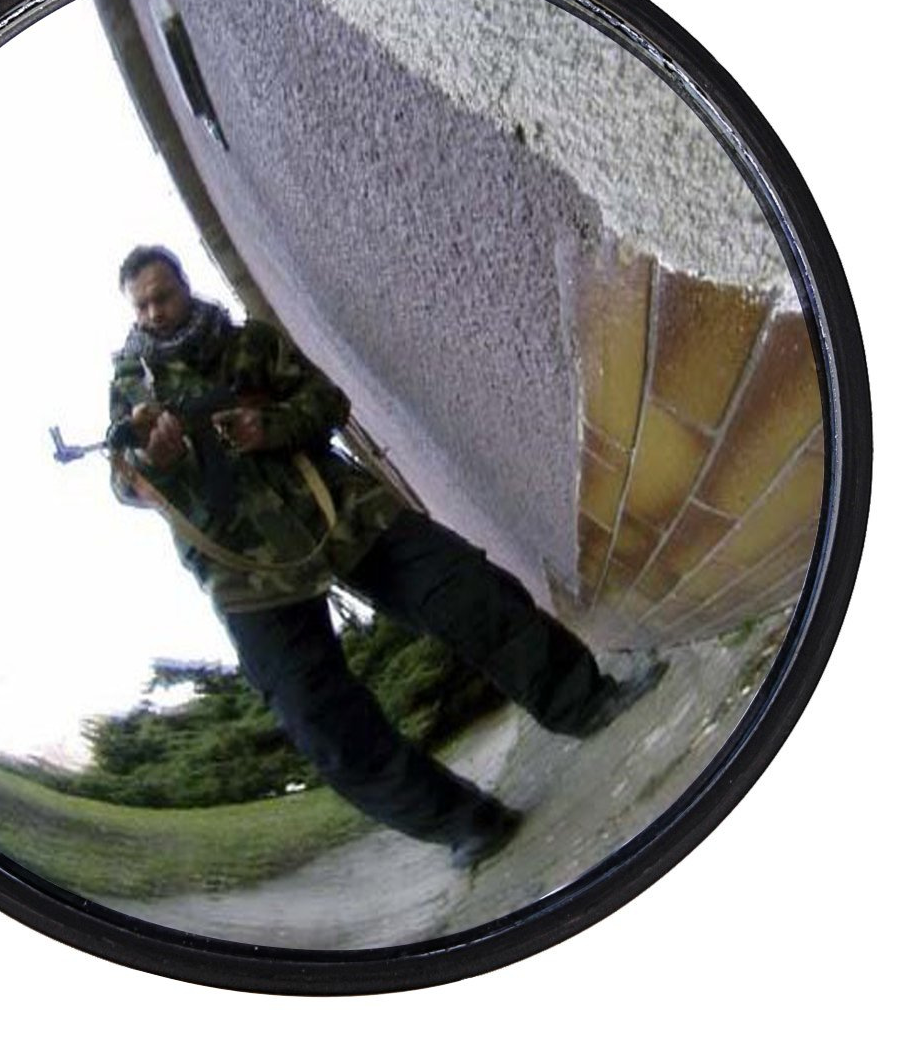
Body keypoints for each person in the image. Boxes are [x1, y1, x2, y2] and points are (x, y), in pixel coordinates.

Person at [108, 245, 666, 870]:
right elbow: (125, 483)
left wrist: (270, 427)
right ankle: (465, 824)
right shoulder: (131, 390)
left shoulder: (250, 346)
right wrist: (158, 460)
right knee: (318, 718)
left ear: (184, 286)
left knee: (465, 591)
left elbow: (327, 403)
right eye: (142, 305)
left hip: (342, 514)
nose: (155, 312)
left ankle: (584, 701)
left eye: (163, 295)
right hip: (245, 573)